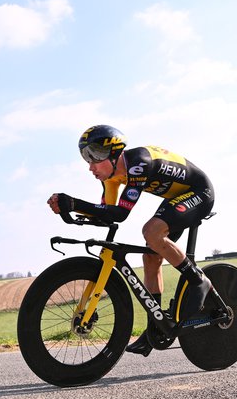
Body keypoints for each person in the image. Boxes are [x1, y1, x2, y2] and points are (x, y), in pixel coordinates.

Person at [47, 125, 215, 357]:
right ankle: (156, 328)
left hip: (199, 192)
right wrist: (70, 210)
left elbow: (120, 214)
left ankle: (198, 280)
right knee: (150, 256)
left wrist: (75, 203)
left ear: (115, 154)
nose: (90, 166)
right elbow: (106, 212)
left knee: (151, 231)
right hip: (176, 197)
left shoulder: (139, 163)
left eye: (95, 157)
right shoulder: (111, 178)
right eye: (86, 158)